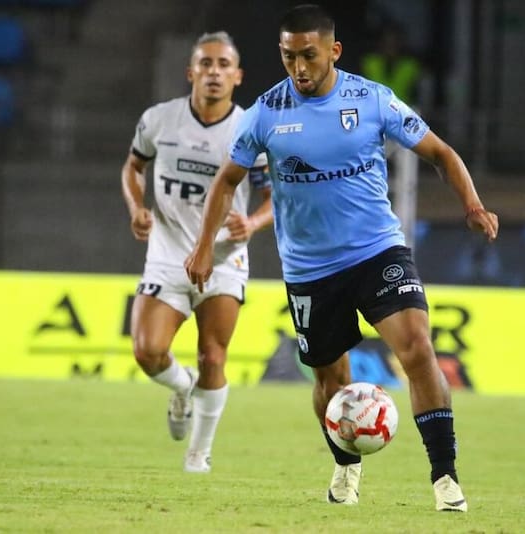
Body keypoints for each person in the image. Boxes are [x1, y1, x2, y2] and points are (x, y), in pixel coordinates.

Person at [185, 4, 498, 511]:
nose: (299, 68)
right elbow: (227, 179)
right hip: (310, 268)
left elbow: (440, 152)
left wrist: (473, 204)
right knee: (332, 381)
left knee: (417, 347)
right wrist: (205, 247)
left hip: (377, 250)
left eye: (309, 55)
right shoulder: (267, 111)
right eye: (289, 57)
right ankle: (347, 467)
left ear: (334, 51)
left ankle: (446, 479)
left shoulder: (372, 99)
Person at [121, 31, 271, 473]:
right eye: (205, 63)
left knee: (214, 356)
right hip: (167, 252)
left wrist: (254, 222)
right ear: (191, 72)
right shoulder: (159, 120)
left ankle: (198, 455)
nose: (214, 72)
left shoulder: (248, 129)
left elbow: (275, 196)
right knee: (147, 352)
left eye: (224, 65)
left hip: (224, 256)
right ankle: (183, 388)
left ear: (238, 76)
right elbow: (133, 166)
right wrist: (136, 206)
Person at [361, 23, 423, 107]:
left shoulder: (410, 66)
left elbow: (419, 95)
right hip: (374, 111)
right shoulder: (370, 62)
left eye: (395, 42)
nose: (391, 46)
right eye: (387, 42)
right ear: (380, 43)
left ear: (401, 43)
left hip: (403, 112)